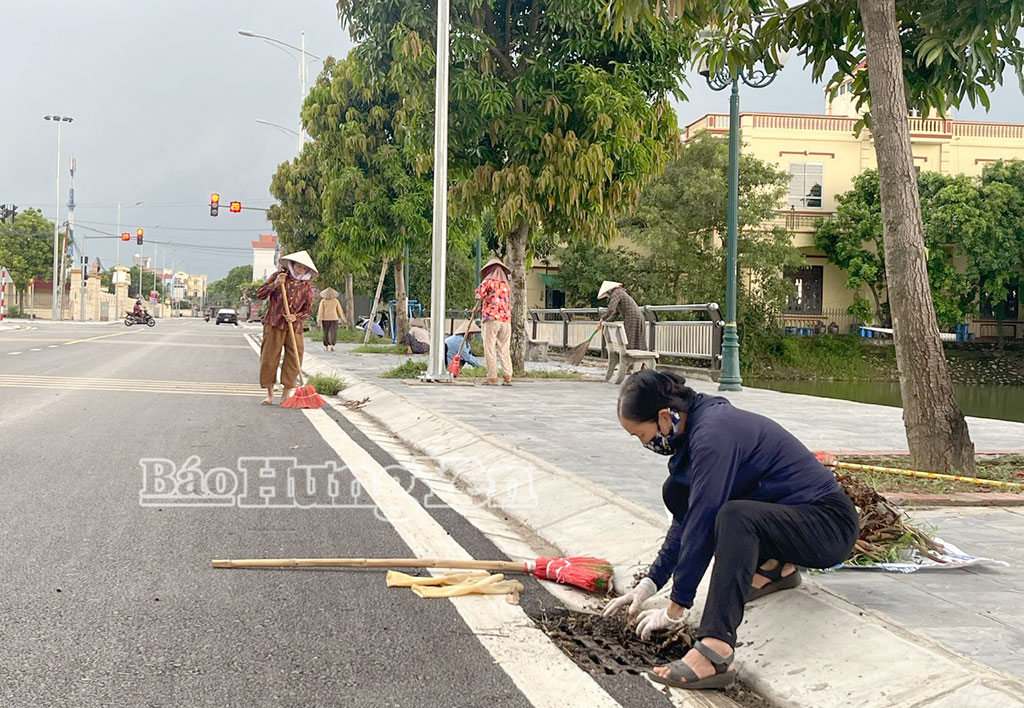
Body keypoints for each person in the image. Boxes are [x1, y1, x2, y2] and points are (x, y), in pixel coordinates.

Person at [603, 370, 859, 690]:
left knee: (734, 517)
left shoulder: (713, 434)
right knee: (677, 490)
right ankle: (774, 569)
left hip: (828, 526)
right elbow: (686, 518)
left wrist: (676, 608)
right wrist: (650, 584)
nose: (644, 444)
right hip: (793, 520)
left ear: (664, 418)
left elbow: (703, 523)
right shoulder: (694, 429)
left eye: (640, 435)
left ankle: (715, 652)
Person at [255, 250, 317, 406]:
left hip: (294, 327)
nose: (301, 269)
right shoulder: (279, 276)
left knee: (294, 358)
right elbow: (260, 293)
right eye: (298, 265)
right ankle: (270, 394)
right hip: (274, 323)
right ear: (292, 264)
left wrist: (296, 316)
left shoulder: (306, 287)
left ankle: (286, 394)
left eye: (304, 268)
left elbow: (308, 310)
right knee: (269, 358)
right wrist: (275, 284)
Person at [474, 257, 513, 386]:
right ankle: (508, 375)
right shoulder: (506, 285)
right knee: (504, 348)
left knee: (489, 347)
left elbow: (478, 294)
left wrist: (479, 304)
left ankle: (492, 376)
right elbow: (498, 301)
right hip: (506, 320)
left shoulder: (488, 281)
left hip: (491, 319)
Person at [596, 281, 645, 350]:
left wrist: (602, 319)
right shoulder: (619, 293)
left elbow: (611, 309)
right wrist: (605, 322)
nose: (607, 295)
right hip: (635, 317)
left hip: (632, 317)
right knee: (634, 340)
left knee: (630, 339)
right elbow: (615, 314)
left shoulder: (617, 292)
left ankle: (631, 358)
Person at [316, 287, 344, 353]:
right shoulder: (335, 301)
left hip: (325, 319)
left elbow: (320, 311)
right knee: (333, 332)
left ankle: (326, 346)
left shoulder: (323, 301)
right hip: (334, 318)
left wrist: (319, 320)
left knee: (325, 332)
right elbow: (340, 310)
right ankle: (332, 346)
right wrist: (343, 318)